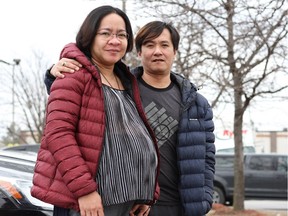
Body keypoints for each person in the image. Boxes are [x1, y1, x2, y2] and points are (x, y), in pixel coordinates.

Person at [45, 21, 216, 216]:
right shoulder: (121, 89)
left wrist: (204, 196)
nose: (157, 51)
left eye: (164, 45)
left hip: (181, 205)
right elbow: (74, 106)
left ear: (175, 51)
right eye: (150, 45)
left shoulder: (196, 104)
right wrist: (53, 74)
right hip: (131, 204)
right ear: (139, 52)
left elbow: (207, 156)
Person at [31, 6, 160, 216]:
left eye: (122, 35)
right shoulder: (73, 74)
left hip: (127, 200)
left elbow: (138, 137)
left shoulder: (128, 82)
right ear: (89, 36)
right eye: (105, 33)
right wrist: (85, 191)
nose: (115, 40)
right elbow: (58, 135)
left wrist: (146, 192)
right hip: (89, 203)